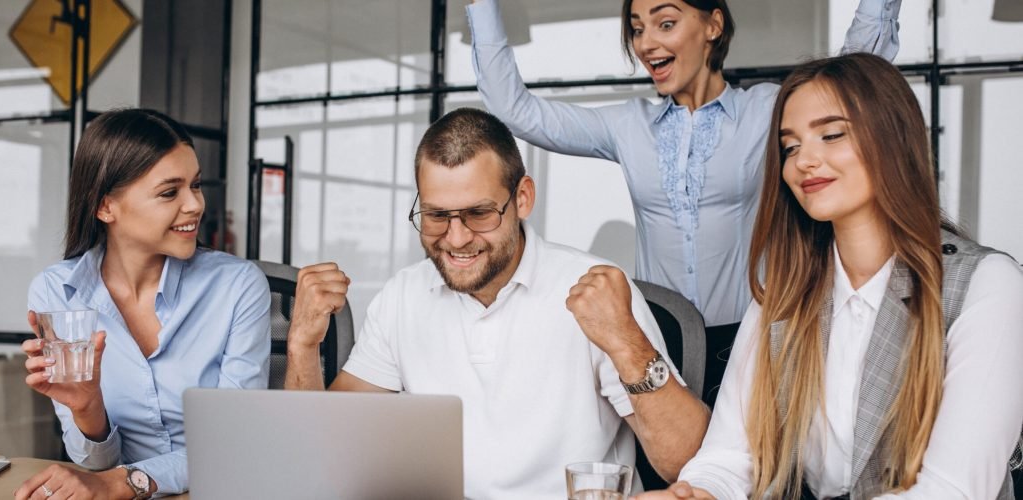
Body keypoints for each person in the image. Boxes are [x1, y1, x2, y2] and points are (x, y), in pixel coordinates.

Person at [467, 0, 903, 407]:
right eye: (637, 30)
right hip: (656, 342)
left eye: (666, 23)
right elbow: (516, 110)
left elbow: (853, 76)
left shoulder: (767, 110)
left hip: (755, 341)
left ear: (713, 25)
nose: (646, 43)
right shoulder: (627, 125)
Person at [640, 53, 1023, 499]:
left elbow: (953, 490)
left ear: (893, 138)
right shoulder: (785, 291)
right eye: (791, 147)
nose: (805, 160)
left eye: (832, 134)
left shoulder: (987, 282)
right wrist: (690, 494)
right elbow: (730, 457)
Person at [284, 108, 710, 498]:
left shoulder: (593, 290)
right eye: (436, 215)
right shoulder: (402, 295)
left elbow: (687, 464)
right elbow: (324, 456)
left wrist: (627, 344)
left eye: (479, 213)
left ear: (522, 198)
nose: (455, 239)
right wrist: (302, 346)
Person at [13, 109, 271, 499]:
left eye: (195, 185)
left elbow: (232, 447)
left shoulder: (237, 286)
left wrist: (127, 482)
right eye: (170, 192)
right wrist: (88, 410)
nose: (195, 205)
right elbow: (93, 465)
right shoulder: (56, 292)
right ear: (105, 207)